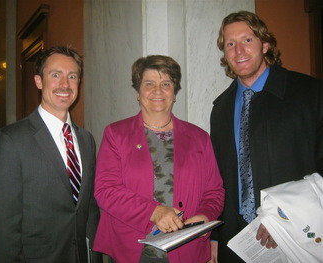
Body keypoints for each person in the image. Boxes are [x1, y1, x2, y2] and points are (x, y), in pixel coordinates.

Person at [210, 10, 323, 262]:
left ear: (265, 45)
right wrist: (215, 237)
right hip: (237, 241)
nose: (239, 50)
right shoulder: (220, 109)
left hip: (295, 237)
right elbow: (218, 180)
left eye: (247, 40)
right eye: (230, 44)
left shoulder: (311, 94)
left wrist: (285, 216)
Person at [93, 55, 225, 263]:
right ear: (138, 92)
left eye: (166, 84)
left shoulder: (199, 138)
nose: (158, 90)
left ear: (174, 93)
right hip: (132, 249)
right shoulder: (116, 134)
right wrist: (154, 211)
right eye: (149, 84)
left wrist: (205, 215)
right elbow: (106, 190)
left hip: (187, 248)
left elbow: (214, 191)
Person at [0, 46, 101, 263]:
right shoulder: (10, 140)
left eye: (72, 76)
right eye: (55, 75)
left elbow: (89, 208)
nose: (65, 84)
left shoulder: (86, 140)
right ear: (38, 81)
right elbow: (2, 225)